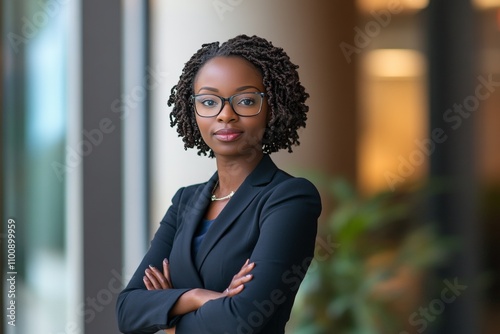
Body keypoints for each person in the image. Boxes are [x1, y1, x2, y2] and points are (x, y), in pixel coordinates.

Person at [116, 34, 322, 334]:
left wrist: (168, 323)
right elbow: (127, 311)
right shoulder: (185, 201)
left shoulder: (289, 198)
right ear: (193, 110)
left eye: (246, 100)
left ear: (273, 107)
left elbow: (241, 320)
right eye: (209, 101)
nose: (226, 115)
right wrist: (198, 297)